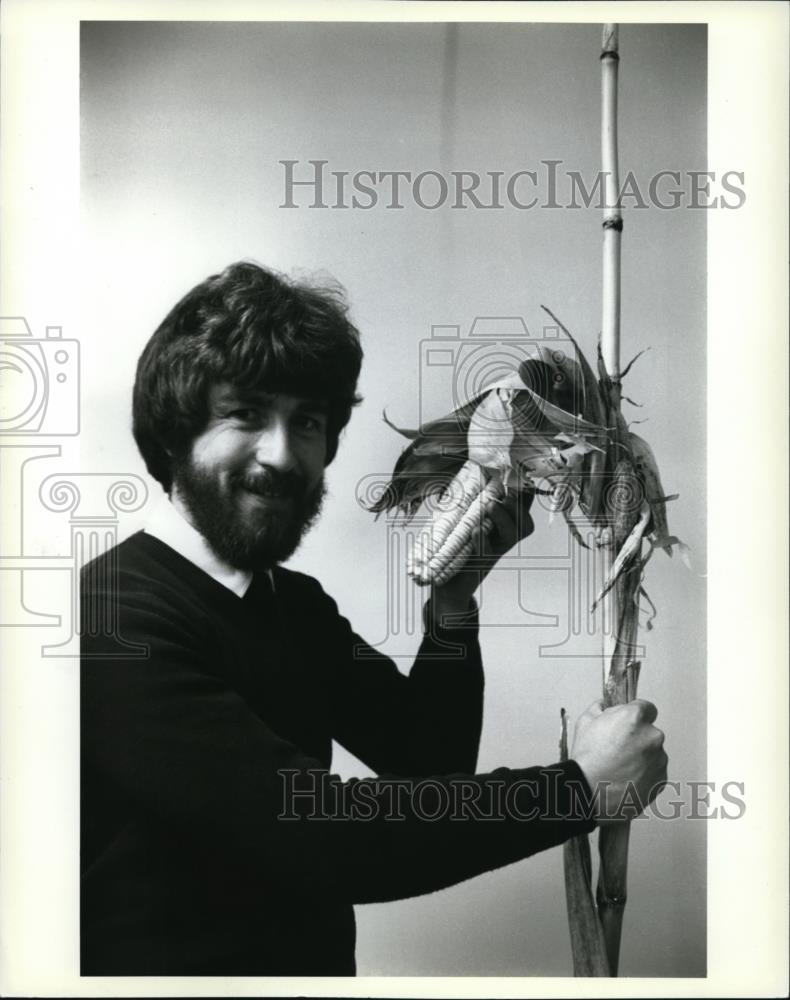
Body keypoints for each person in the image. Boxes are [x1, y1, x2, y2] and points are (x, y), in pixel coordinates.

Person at [80, 261, 668, 976]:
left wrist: (451, 611)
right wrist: (577, 789)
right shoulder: (112, 621)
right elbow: (324, 834)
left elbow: (427, 764)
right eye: (245, 414)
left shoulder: (290, 603)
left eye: (308, 422)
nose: (283, 453)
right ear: (176, 433)